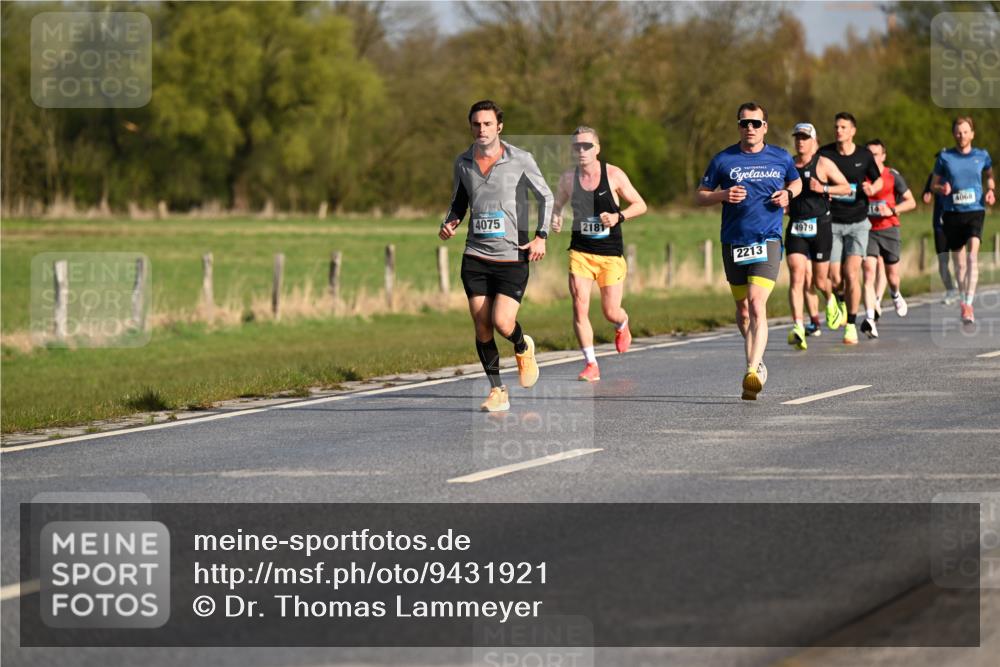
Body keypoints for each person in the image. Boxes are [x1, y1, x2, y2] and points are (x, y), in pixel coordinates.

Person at [439, 100, 553, 411]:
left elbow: (546, 196)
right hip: (476, 255)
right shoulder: (463, 162)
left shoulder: (520, 159)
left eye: (487, 124)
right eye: (476, 124)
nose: (482, 129)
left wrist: (541, 236)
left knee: (503, 322)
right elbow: (459, 202)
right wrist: (449, 222)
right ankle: (497, 390)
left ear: (499, 126)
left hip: (512, 255)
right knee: (482, 326)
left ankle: (521, 345)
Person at [697, 102, 801, 400]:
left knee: (757, 304)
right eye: (744, 123)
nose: (750, 128)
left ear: (765, 126)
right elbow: (700, 196)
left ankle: (752, 371)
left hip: (767, 240)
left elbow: (796, 181)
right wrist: (723, 194)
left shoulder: (780, 157)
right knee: (742, 312)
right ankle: (757, 363)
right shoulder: (723, 160)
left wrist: (788, 194)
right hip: (734, 242)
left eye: (756, 123)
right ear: (738, 126)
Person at [550, 126, 647, 382]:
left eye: (587, 146)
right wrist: (556, 217)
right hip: (580, 252)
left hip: (610, 254)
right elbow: (557, 204)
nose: (581, 151)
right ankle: (591, 364)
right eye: (577, 147)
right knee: (579, 306)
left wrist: (618, 216)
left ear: (597, 149)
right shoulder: (568, 179)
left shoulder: (613, 175)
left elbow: (641, 204)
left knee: (610, 311)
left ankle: (622, 323)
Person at [784, 122, 851, 350]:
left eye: (805, 137)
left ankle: (832, 299)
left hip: (820, 225)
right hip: (796, 226)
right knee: (797, 275)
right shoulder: (788, 164)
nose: (800, 141)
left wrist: (823, 188)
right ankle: (798, 327)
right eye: (797, 137)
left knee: (820, 281)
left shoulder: (823, 163)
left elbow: (846, 188)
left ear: (814, 141)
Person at [819, 112, 883, 345]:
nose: (839, 131)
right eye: (836, 127)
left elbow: (879, 180)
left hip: (858, 223)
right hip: (833, 221)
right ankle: (842, 302)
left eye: (844, 127)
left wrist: (872, 189)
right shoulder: (825, 154)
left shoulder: (864, 155)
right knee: (834, 277)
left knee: (851, 273)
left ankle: (851, 325)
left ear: (853, 131)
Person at [930, 116, 995, 324]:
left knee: (972, 258)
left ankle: (968, 303)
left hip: (975, 211)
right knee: (959, 265)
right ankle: (962, 299)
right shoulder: (945, 157)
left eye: (966, 131)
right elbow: (933, 184)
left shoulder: (982, 155)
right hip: (952, 213)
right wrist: (942, 188)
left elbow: (989, 174)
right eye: (958, 132)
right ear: (954, 134)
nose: (962, 136)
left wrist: (991, 190)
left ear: (972, 134)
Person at [860, 139, 917, 338]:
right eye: (869, 154)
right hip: (867, 230)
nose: (872, 158)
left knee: (892, 275)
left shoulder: (892, 176)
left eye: (876, 154)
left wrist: (891, 210)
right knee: (868, 272)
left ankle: (895, 294)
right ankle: (869, 318)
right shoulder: (861, 176)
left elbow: (911, 202)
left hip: (889, 229)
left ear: (883, 156)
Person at [922, 154, 959, 304]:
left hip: (957, 223)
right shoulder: (934, 177)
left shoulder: (957, 174)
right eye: (938, 160)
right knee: (943, 260)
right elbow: (926, 194)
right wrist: (928, 194)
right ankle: (950, 289)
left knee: (959, 259)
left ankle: (961, 284)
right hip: (940, 224)